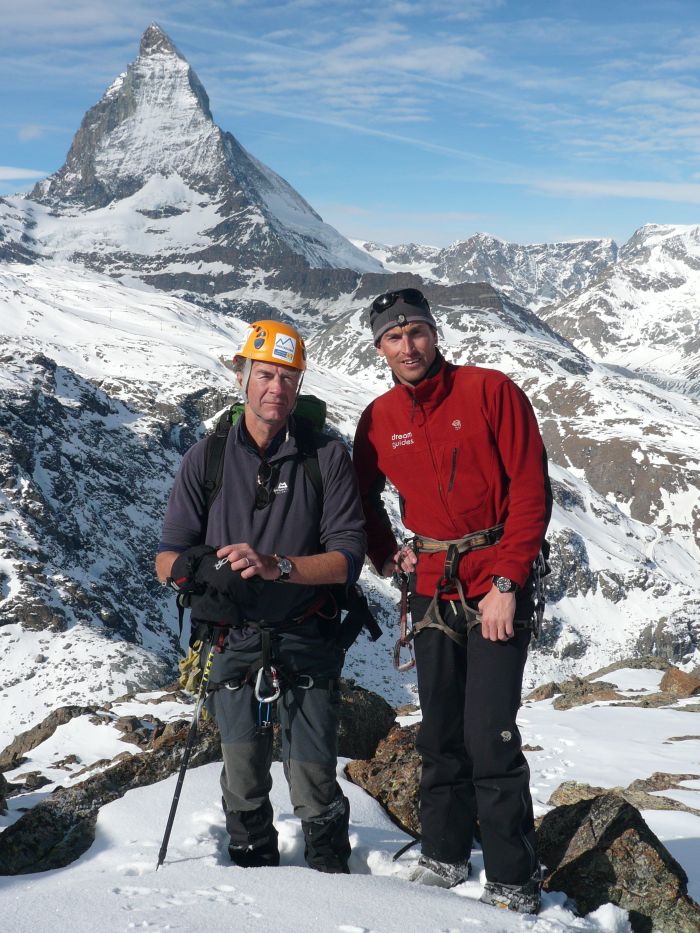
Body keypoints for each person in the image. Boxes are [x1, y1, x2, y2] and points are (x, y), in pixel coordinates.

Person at [352, 288, 550, 914]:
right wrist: (386, 556)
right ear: (379, 347)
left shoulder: (490, 391)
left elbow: (529, 492)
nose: (407, 346)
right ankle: (442, 853)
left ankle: (513, 876)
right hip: (432, 584)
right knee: (439, 732)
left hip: (496, 580)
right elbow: (360, 501)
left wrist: (508, 584)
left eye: (416, 332)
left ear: (435, 335)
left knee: (489, 733)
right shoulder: (379, 419)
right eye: (393, 336)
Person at [156, 320, 366, 874]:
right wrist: (205, 569)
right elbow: (167, 557)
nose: (277, 388)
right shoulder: (208, 458)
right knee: (243, 771)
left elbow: (348, 557)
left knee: (314, 775)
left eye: (288, 378)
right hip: (231, 636)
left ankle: (333, 881)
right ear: (243, 379)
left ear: (299, 386)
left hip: (305, 630)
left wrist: (279, 567)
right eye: (266, 375)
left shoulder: (326, 457)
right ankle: (254, 883)